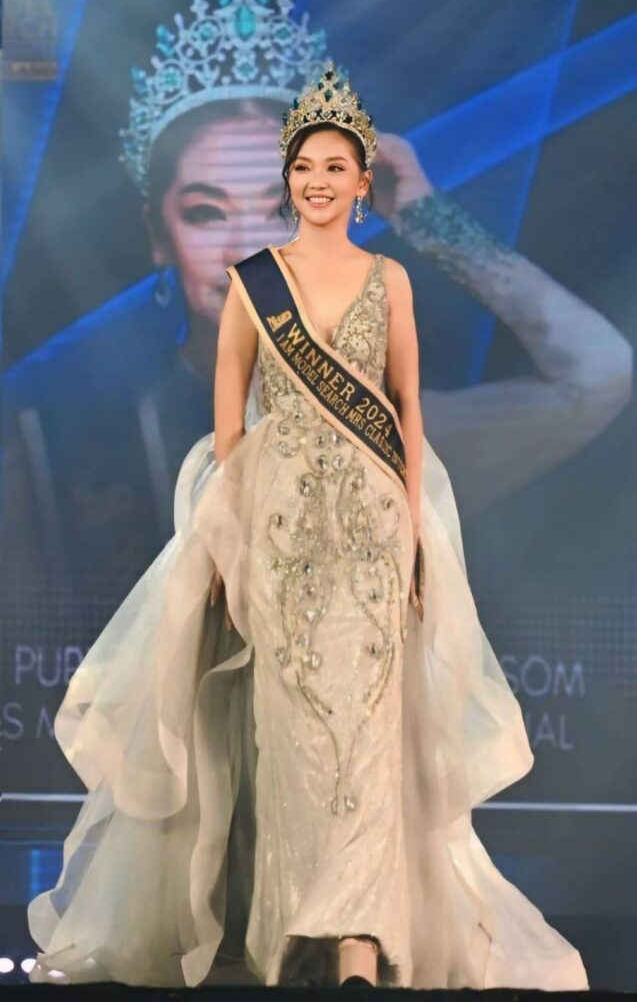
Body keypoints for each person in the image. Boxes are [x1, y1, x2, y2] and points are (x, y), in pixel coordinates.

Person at [26, 60, 590, 991]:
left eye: (335, 167)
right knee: (289, 734)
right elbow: (229, 421)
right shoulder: (252, 287)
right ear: (158, 232)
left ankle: (360, 939)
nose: (315, 183)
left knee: (370, 730)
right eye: (302, 169)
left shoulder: (389, 279)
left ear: (363, 183)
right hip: (278, 531)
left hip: (371, 530)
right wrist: (226, 534)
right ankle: (294, 927)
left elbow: (409, 408)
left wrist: (413, 536)